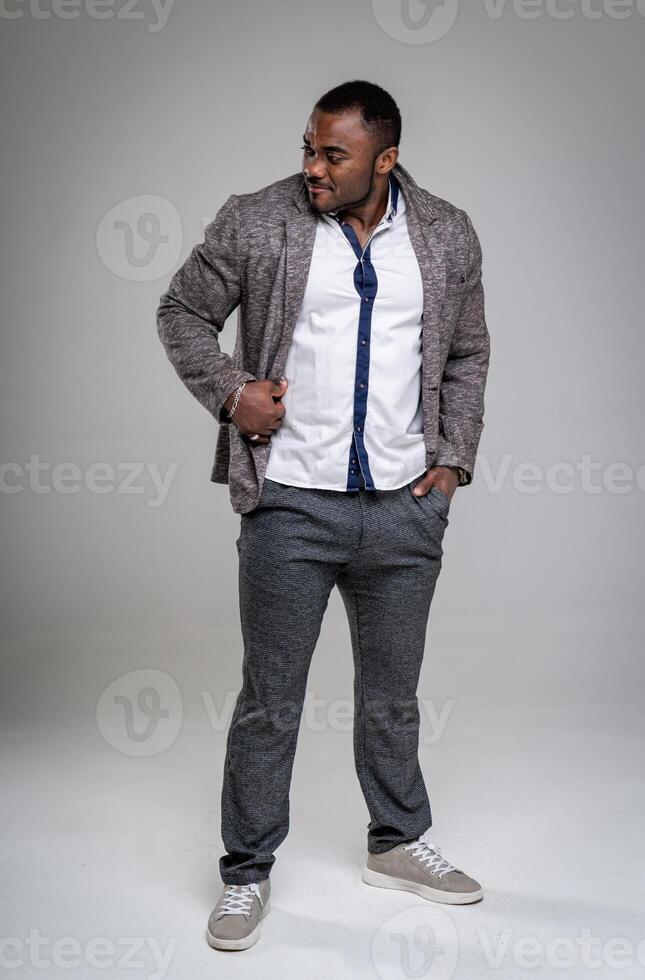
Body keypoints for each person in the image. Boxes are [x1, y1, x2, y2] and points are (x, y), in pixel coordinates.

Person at [156, 79, 490, 952]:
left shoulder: (447, 233)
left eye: (331, 154)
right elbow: (181, 311)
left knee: (392, 696)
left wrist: (452, 458)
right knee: (271, 699)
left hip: (404, 508)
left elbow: (465, 351)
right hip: (289, 504)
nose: (310, 166)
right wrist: (231, 395)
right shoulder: (258, 220)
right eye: (307, 147)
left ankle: (396, 841)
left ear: (384, 159)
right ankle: (245, 874)